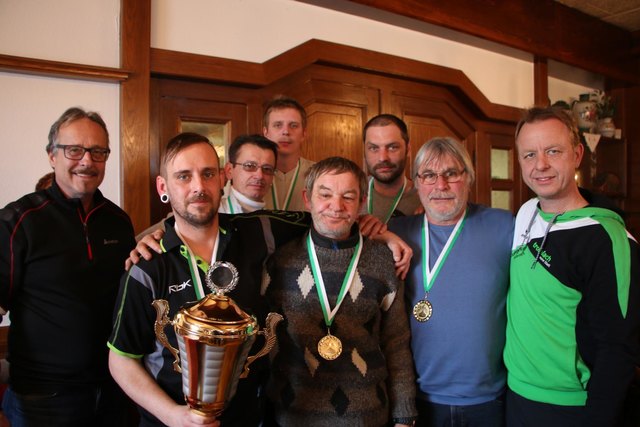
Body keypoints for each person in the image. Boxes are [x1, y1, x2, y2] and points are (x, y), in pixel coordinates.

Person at [109, 133, 412, 427]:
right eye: (184, 176)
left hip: (251, 416)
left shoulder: (260, 231)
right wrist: (173, 416)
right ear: (163, 186)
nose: (198, 186)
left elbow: (330, 216)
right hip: (172, 419)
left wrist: (381, 232)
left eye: (208, 174)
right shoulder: (147, 265)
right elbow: (121, 360)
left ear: (223, 178)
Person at [504, 106, 640, 427]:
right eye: (529, 155)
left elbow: (618, 347)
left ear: (577, 154)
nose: (541, 165)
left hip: (571, 406)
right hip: (517, 394)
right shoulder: (526, 213)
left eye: (553, 151)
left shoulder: (607, 237)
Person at [0, 107, 136, 426]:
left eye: (98, 151)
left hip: (113, 387)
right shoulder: (18, 221)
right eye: (74, 150)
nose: (87, 161)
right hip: (43, 399)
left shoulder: (118, 221)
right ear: (52, 155)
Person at [263, 157, 417, 426]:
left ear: (361, 203)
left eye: (348, 196)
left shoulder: (384, 262)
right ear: (307, 199)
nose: (336, 206)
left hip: (367, 417)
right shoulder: (280, 263)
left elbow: (397, 345)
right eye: (325, 195)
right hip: (293, 416)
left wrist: (404, 417)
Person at [387, 137, 513, 426]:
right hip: (418, 400)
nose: (440, 185)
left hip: (490, 400)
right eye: (429, 175)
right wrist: (377, 232)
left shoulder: (505, 226)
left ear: (468, 178)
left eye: (452, 174)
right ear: (416, 183)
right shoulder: (396, 231)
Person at [363, 114, 421, 222]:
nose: (382, 158)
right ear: (365, 151)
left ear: (408, 150)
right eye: (373, 148)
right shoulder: (350, 192)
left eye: (392, 147)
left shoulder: (425, 198)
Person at [262, 96, 315, 211]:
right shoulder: (252, 174)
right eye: (278, 125)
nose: (286, 132)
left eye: (293, 126)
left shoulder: (320, 174)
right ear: (266, 132)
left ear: (304, 133)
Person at [220, 134, 277, 214]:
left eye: (267, 169)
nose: (259, 176)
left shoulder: (276, 218)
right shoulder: (215, 215)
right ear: (229, 171)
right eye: (250, 166)